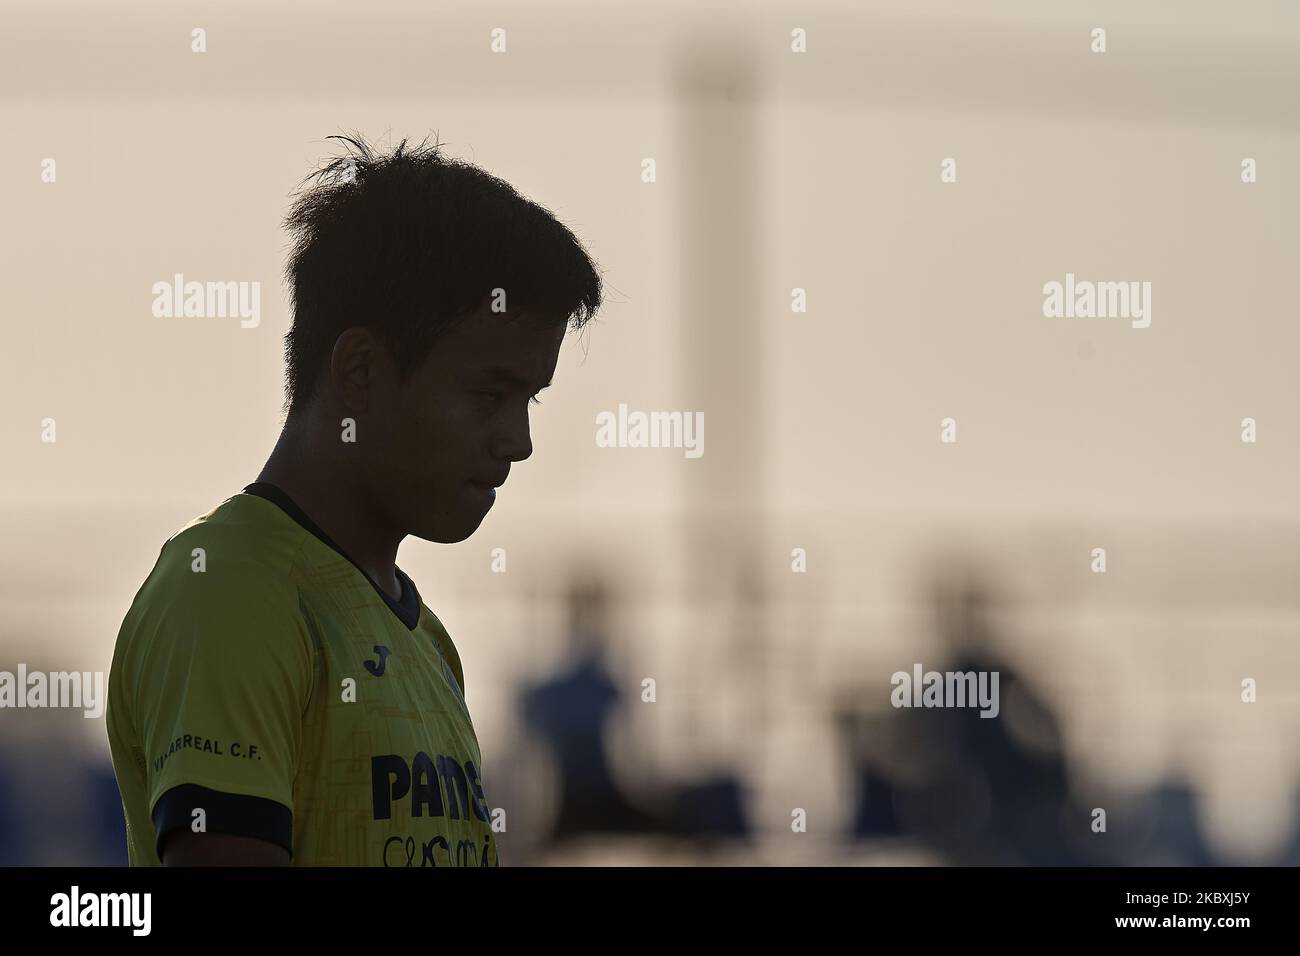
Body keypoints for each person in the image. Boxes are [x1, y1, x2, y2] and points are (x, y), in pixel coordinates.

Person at [105, 133, 603, 866]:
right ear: (361, 371)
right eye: (491, 394)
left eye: (530, 398)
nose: (519, 440)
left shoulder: (426, 642)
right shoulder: (229, 592)